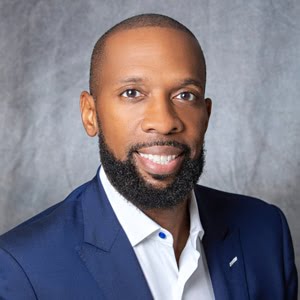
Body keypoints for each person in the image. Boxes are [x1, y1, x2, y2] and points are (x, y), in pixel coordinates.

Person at [0, 13, 297, 300]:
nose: (164, 121)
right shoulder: (22, 267)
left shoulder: (265, 230)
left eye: (185, 95)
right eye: (132, 93)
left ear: (205, 116)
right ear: (90, 115)